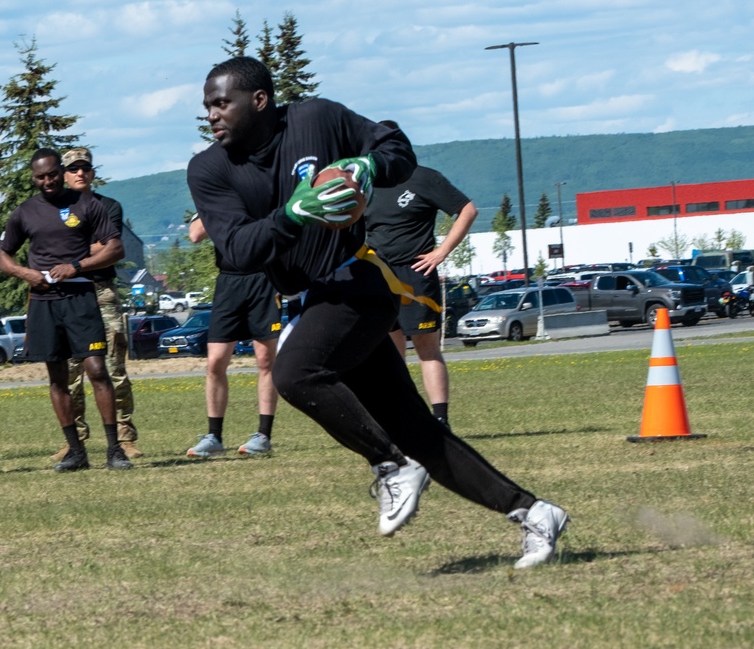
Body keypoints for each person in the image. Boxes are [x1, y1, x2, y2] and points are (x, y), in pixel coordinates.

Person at [187, 56, 569, 568]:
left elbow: (395, 147)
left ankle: (390, 465)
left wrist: (369, 166)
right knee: (417, 430)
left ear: (259, 100)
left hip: (357, 282)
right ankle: (536, 513)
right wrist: (295, 213)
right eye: (207, 105)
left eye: (221, 103)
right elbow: (236, 249)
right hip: (308, 299)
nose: (211, 114)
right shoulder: (209, 168)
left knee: (294, 372)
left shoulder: (317, 118)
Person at [0, 147, 132, 472]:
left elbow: (116, 248)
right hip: (43, 302)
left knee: (97, 369)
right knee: (57, 378)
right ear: (34, 177)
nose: (48, 181)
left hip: (80, 296)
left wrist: (77, 266)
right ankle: (75, 450)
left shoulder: (86, 204)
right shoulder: (24, 212)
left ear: (61, 171)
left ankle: (115, 449)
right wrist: (23, 272)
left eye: (52, 174)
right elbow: (2, 256)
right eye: (40, 177)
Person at [365, 121, 478, 429]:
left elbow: (467, 210)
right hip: (379, 277)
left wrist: (441, 252)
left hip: (416, 275)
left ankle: (439, 421)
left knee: (428, 349)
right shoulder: (367, 184)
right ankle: (397, 419)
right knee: (389, 355)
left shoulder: (424, 178)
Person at [48, 147, 142, 462]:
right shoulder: (53, 209)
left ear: (92, 171)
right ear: (63, 173)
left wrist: (71, 252)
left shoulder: (108, 206)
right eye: (73, 169)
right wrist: (85, 249)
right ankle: (75, 441)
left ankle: (125, 436)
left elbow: (107, 246)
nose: (79, 173)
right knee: (71, 371)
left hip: (101, 291)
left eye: (84, 168)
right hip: (67, 295)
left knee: (113, 366)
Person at [185, 212, 281, 458]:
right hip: (229, 282)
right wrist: (224, 209)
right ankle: (214, 437)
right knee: (215, 361)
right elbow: (195, 234)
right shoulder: (217, 199)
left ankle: (263, 436)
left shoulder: (262, 190)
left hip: (264, 279)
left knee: (265, 360)